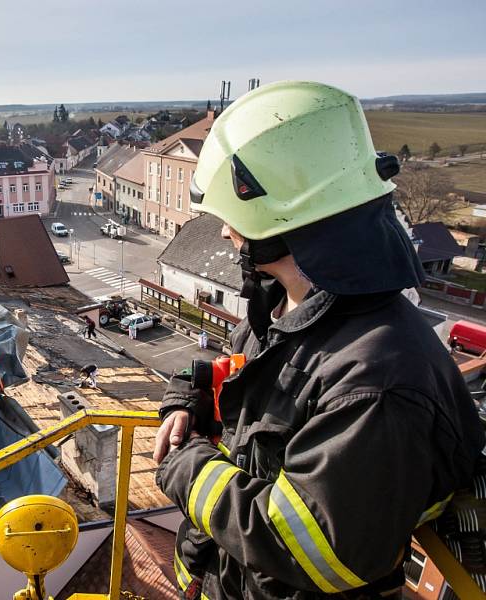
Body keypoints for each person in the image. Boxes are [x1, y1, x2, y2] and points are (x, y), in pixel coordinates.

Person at [153, 81, 484, 600]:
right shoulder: (292, 310)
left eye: (230, 220)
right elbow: (241, 369)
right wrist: (187, 395)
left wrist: (186, 467)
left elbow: (312, 550)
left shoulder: (378, 382)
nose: (223, 234)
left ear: (275, 218)